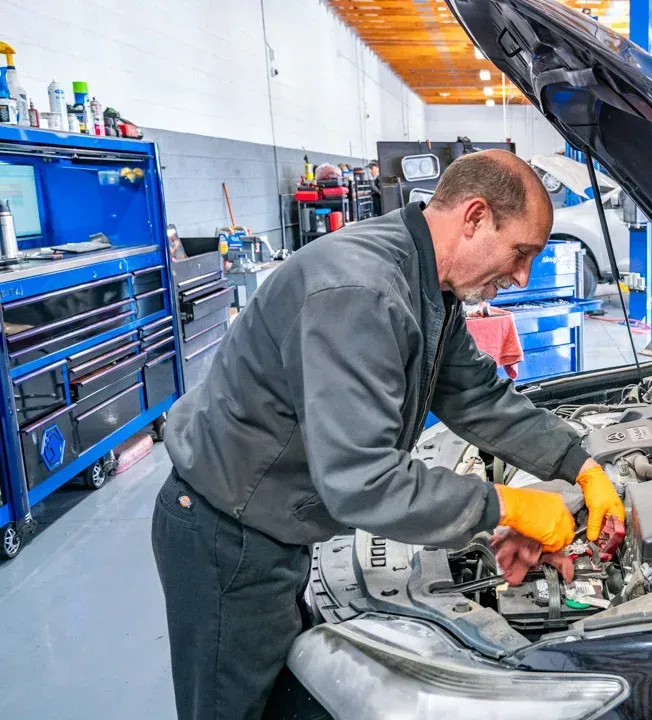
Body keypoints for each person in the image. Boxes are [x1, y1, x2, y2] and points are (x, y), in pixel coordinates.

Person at [152, 149, 625, 720]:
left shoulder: (428, 282)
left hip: (268, 523)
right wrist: (505, 505)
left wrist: (581, 466)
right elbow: (362, 479)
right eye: (521, 252)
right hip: (227, 535)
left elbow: (475, 394)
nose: (522, 275)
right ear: (474, 217)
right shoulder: (362, 292)